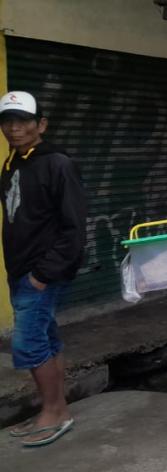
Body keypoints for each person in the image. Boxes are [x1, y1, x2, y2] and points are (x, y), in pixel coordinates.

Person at [1, 91, 86, 448]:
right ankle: (54, 408)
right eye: (7, 122)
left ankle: (55, 413)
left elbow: (74, 229)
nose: (14, 128)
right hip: (21, 270)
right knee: (46, 338)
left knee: (29, 342)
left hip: (40, 273)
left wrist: (42, 275)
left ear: (41, 125)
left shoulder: (57, 163)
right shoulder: (14, 163)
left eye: (23, 121)